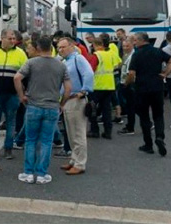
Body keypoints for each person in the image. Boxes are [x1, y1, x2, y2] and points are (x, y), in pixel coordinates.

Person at [14, 36, 72, 185]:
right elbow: (68, 88)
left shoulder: (31, 63)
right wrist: (62, 103)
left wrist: (22, 96)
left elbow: (17, 78)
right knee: (46, 141)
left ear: (38, 47)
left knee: (30, 140)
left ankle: (28, 172)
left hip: (33, 105)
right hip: (52, 106)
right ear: (51, 48)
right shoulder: (61, 65)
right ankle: (41, 174)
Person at [127, 32, 171, 156]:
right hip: (157, 87)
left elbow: (132, 74)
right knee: (158, 114)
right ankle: (160, 137)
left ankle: (148, 144)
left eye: (134, 40)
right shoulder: (157, 51)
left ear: (140, 41)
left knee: (144, 116)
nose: (134, 43)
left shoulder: (137, 55)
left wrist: (128, 83)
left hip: (142, 89)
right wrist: (165, 73)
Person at [0, 29, 28, 159]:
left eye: (14, 39)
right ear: (2, 38)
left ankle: (8, 149)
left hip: (12, 94)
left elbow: (26, 73)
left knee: (11, 121)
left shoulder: (21, 53)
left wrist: (24, 92)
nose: (13, 41)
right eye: (10, 38)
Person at [57, 37, 93, 175]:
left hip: (76, 99)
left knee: (78, 133)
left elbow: (88, 73)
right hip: (67, 99)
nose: (60, 50)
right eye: (59, 47)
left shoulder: (78, 59)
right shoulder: (66, 61)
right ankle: (74, 159)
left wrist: (84, 91)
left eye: (63, 47)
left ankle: (80, 163)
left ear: (71, 46)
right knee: (71, 132)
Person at [87, 38, 119, 139]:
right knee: (107, 110)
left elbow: (90, 70)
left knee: (92, 109)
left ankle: (94, 130)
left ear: (95, 45)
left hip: (97, 85)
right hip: (109, 85)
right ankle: (108, 132)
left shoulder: (96, 56)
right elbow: (118, 64)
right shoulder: (110, 54)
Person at [117, 37, 136, 135]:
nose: (125, 47)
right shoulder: (126, 54)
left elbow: (131, 73)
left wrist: (125, 84)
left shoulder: (132, 56)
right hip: (125, 82)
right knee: (133, 106)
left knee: (131, 107)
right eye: (124, 46)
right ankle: (148, 123)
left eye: (127, 46)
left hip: (129, 84)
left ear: (133, 45)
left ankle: (130, 127)